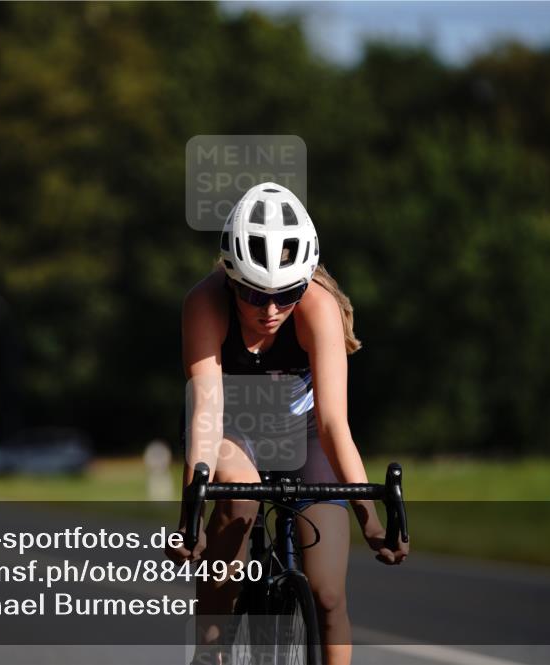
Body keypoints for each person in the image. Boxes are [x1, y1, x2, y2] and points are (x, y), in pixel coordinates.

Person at [166, 182, 408, 665]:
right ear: (231, 280)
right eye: (255, 295)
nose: (271, 311)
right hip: (231, 431)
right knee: (239, 495)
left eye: (287, 294)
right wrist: (191, 514)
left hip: (304, 434)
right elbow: (208, 413)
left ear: (306, 283)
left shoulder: (320, 308)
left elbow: (333, 423)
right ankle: (211, 647)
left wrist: (371, 519)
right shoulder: (204, 304)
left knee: (328, 596)